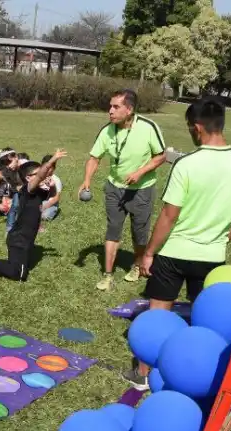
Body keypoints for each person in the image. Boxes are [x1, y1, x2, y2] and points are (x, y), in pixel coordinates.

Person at [128, 98, 231, 388]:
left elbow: (169, 215)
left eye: (189, 127)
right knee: (203, 321)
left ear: (197, 128)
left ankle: (143, 374)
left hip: (174, 253)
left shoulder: (187, 164)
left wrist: (149, 253)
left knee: (158, 314)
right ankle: (197, 376)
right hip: (212, 256)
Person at [80, 89, 167, 292]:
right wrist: (86, 181)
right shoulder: (107, 130)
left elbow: (161, 156)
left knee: (139, 233)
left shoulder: (148, 127)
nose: (110, 111)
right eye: (110, 106)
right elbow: (94, 158)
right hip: (114, 189)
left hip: (141, 190)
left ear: (129, 109)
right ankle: (108, 275)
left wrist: (140, 172)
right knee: (113, 229)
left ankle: (137, 264)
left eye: (116, 107)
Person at [0, 151, 68, 281]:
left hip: (26, 241)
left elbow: (50, 192)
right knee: (19, 275)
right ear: (28, 178)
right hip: (18, 239)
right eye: (37, 175)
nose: (42, 176)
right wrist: (51, 160)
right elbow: (42, 174)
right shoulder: (28, 190)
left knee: (19, 270)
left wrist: (52, 183)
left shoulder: (39, 191)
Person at [40, 153, 63, 221]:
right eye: (45, 167)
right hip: (39, 202)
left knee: (44, 216)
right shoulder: (38, 177)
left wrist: (44, 207)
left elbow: (56, 198)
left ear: (54, 168)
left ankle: (54, 211)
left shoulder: (56, 180)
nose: (47, 169)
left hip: (50, 204)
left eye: (49, 168)